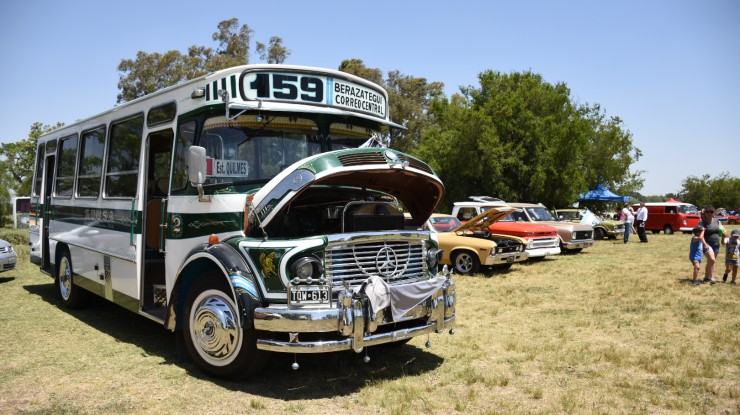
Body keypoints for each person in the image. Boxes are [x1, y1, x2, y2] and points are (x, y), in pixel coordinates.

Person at [699, 205, 721, 284]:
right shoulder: (702, 222)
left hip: (716, 244)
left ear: (713, 213)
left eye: (711, 212)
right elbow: (700, 235)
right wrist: (704, 244)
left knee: (711, 261)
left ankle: (706, 277)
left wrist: (724, 232)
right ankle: (712, 278)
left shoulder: (717, 221)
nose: (709, 213)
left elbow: (721, 228)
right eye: (707, 212)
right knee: (712, 259)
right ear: (704, 213)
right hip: (707, 244)